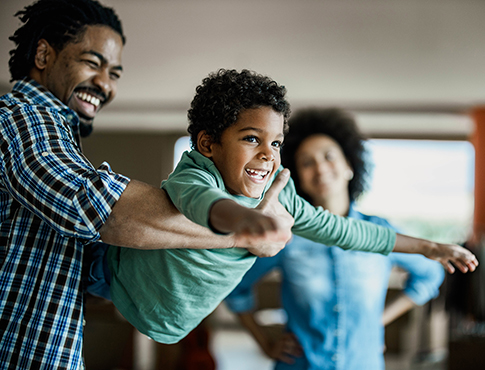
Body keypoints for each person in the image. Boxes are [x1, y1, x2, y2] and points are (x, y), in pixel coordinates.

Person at [0, 1, 293, 369]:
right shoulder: (22, 117)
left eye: (115, 73)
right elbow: (95, 208)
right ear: (43, 54)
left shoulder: (55, 134)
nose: (105, 84)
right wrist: (244, 232)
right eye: (92, 63)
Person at [99, 69, 477, 347]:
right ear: (209, 144)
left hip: (169, 322)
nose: (268, 154)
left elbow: (347, 232)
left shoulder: (282, 195)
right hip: (116, 280)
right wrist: (246, 222)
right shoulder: (196, 175)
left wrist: (428, 247)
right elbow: (204, 205)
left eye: (277, 143)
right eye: (252, 139)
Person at [225, 108, 448, 370]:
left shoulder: (380, 231)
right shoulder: (286, 234)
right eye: (307, 162)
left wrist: (376, 321)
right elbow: (235, 287)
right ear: (298, 177)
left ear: (349, 166)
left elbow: (430, 274)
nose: (319, 167)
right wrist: (265, 342)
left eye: (329, 156)